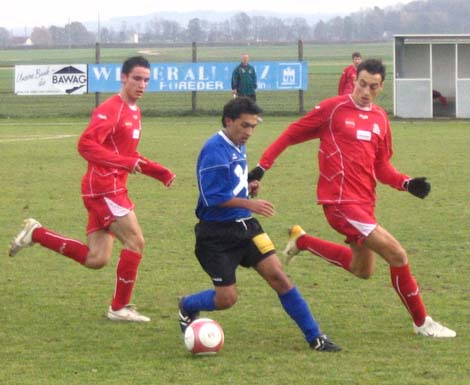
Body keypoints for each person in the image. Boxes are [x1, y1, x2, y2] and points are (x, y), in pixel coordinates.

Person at [249, 59, 456, 338]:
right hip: (339, 203)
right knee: (397, 255)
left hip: (365, 203)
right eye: (361, 84)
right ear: (354, 80)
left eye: (372, 86)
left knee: (363, 270)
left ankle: (303, 241)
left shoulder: (381, 119)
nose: (365, 91)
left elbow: (382, 168)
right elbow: (291, 134)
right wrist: (262, 168)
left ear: (381, 87)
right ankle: (422, 322)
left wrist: (407, 183)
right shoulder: (332, 109)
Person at [9, 56, 176, 323]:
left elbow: (126, 154)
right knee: (135, 241)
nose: (142, 84)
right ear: (123, 78)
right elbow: (85, 145)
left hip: (111, 186)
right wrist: (125, 162)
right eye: (136, 78)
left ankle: (36, 233)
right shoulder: (111, 109)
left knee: (96, 258)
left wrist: (159, 172)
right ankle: (119, 307)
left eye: (146, 79)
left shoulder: (134, 110)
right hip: (104, 189)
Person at [178, 96, 341, 352]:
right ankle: (187, 304)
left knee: (279, 277)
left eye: (253, 126)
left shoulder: (236, 144)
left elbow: (230, 183)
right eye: (244, 125)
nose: (249, 132)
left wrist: (247, 187)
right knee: (227, 298)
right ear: (228, 121)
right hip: (216, 235)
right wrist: (248, 203)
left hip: (247, 227)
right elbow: (212, 198)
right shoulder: (214, 151)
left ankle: (316, 337)